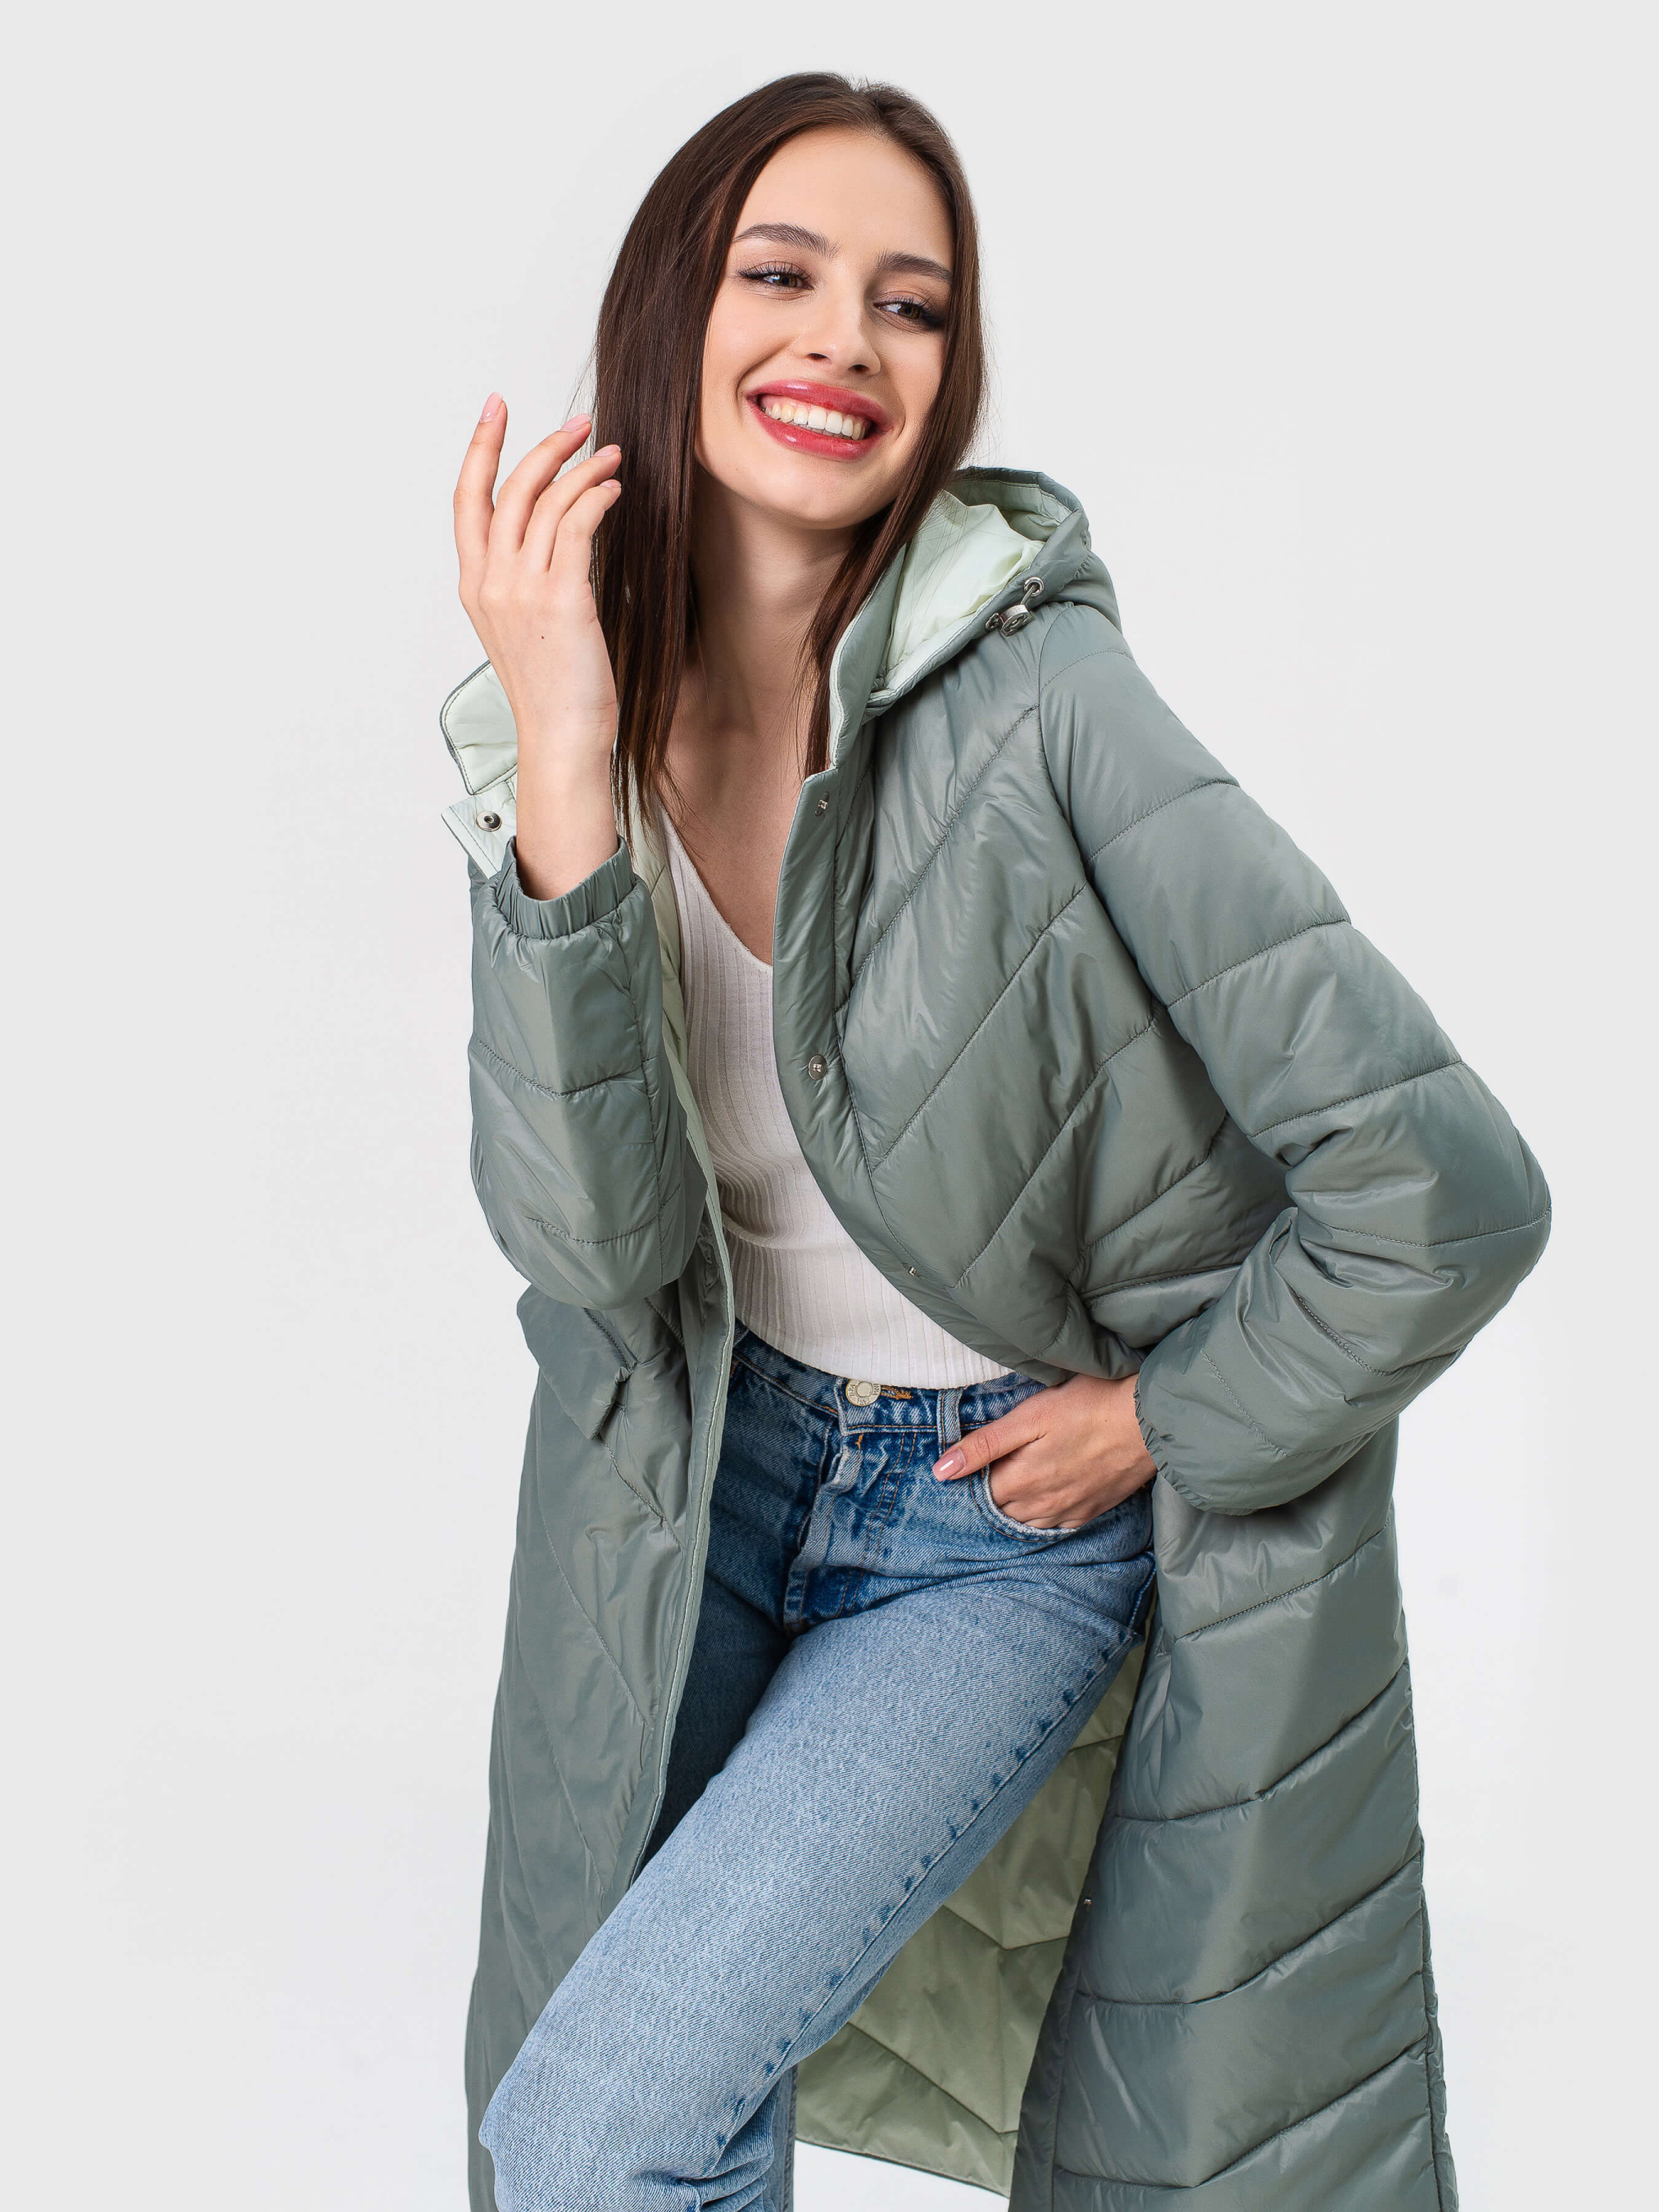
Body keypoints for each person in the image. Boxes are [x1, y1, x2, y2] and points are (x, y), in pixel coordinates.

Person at [442, 70, 1549, 2212]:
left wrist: (1167, 1414)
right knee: (625, 2125)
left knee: (600, 2125)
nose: (843, 341)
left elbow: (1446, 1185)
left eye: (911, 303)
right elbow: (590, 1252)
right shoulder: (567, 718)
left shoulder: (1042, 706)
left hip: (987, 1524)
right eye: (781, 274)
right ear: (671, 309)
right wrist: (564, 760)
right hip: (688, 1491)